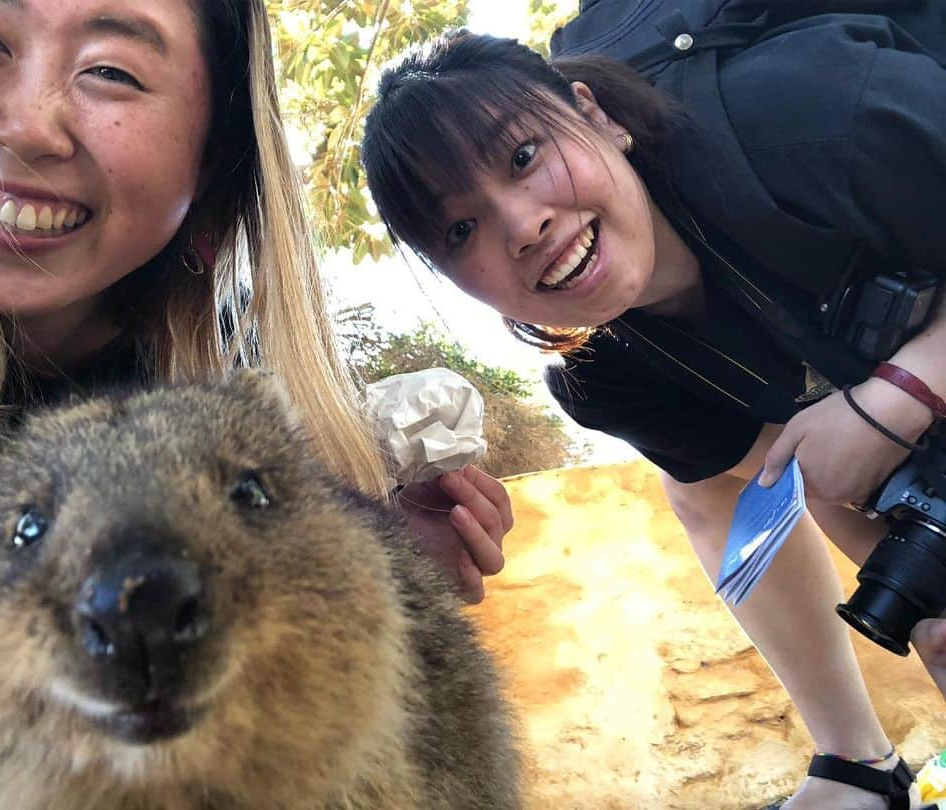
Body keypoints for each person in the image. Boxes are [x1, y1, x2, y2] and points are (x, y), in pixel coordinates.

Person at [0, 0, 511, 763]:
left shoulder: (233, 377)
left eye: (111, 70)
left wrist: (383, 566)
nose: (27, 126)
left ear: (214, 159)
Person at [361, 27, 946, 810]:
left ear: (596, 113)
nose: (523, 225)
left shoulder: (812, 115)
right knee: (702, 480)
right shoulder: (611, 380)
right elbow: (828, 473)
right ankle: (860, 765)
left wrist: (908, 389)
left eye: (524, 156)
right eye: (460, 231)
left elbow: (871, 433)